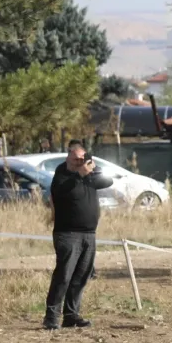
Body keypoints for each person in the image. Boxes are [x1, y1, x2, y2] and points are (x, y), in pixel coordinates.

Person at [45, 141, 113, 330]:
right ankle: (51, 317)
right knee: (63, 276)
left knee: (81, 277)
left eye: (82, 159)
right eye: (75, 159)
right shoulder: (62, 175)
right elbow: (61, 193)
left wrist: (93, 168)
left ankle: (71, 315)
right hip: (68, 234)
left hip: (89, 235)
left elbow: (108, 181)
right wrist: (78, 174)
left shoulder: (89, 176)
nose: (79, 162)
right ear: (68, 158)